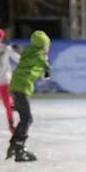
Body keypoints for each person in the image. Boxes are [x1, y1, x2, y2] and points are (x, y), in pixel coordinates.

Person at [6, 30, 51, 162]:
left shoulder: (28, 51)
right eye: (47, 46)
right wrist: (47, 69)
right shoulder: (40, 56)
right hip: (22, 87)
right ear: (43, 46)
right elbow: (47, 71)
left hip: (15, 85)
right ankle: (19, 149)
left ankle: (14, 143)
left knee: (24, 118)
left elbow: (22, 54)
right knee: (27, 119)